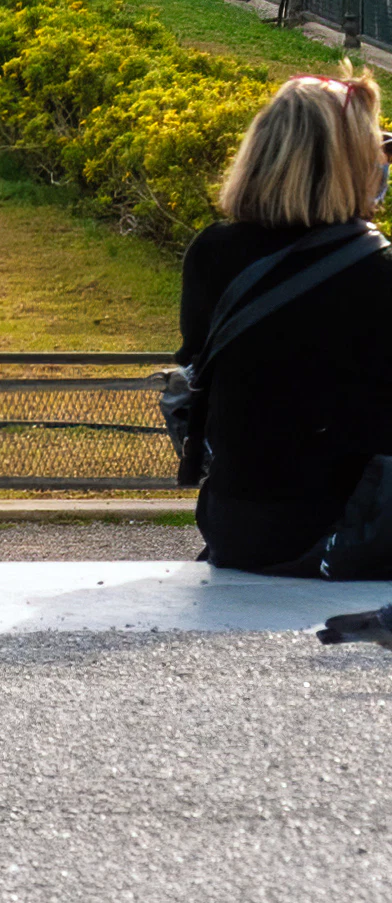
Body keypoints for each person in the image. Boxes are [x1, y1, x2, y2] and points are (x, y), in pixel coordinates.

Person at [176, 74, 392, 574]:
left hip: (239, 529)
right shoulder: (379, 273)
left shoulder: (212, 253)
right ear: (354, 163)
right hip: (353, 533)